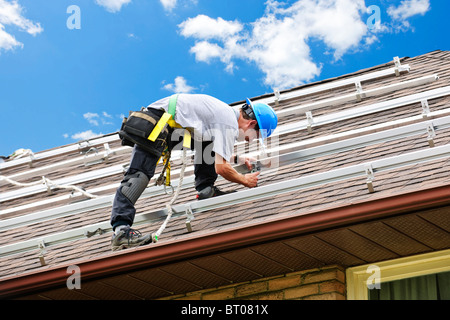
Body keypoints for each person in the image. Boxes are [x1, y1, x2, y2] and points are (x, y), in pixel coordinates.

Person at [110, 94, 278, 251]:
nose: (250, 140)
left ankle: (206, 190)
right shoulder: (228, 123)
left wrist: (236, 158)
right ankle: (120, 232)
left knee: (206, 144)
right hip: (157, 123)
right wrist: (245, 180)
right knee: (138, 177)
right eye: (254, 137)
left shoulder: (225, 116)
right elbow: (221, 167)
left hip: (168, 126)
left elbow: (212, 149)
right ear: (252, 125)